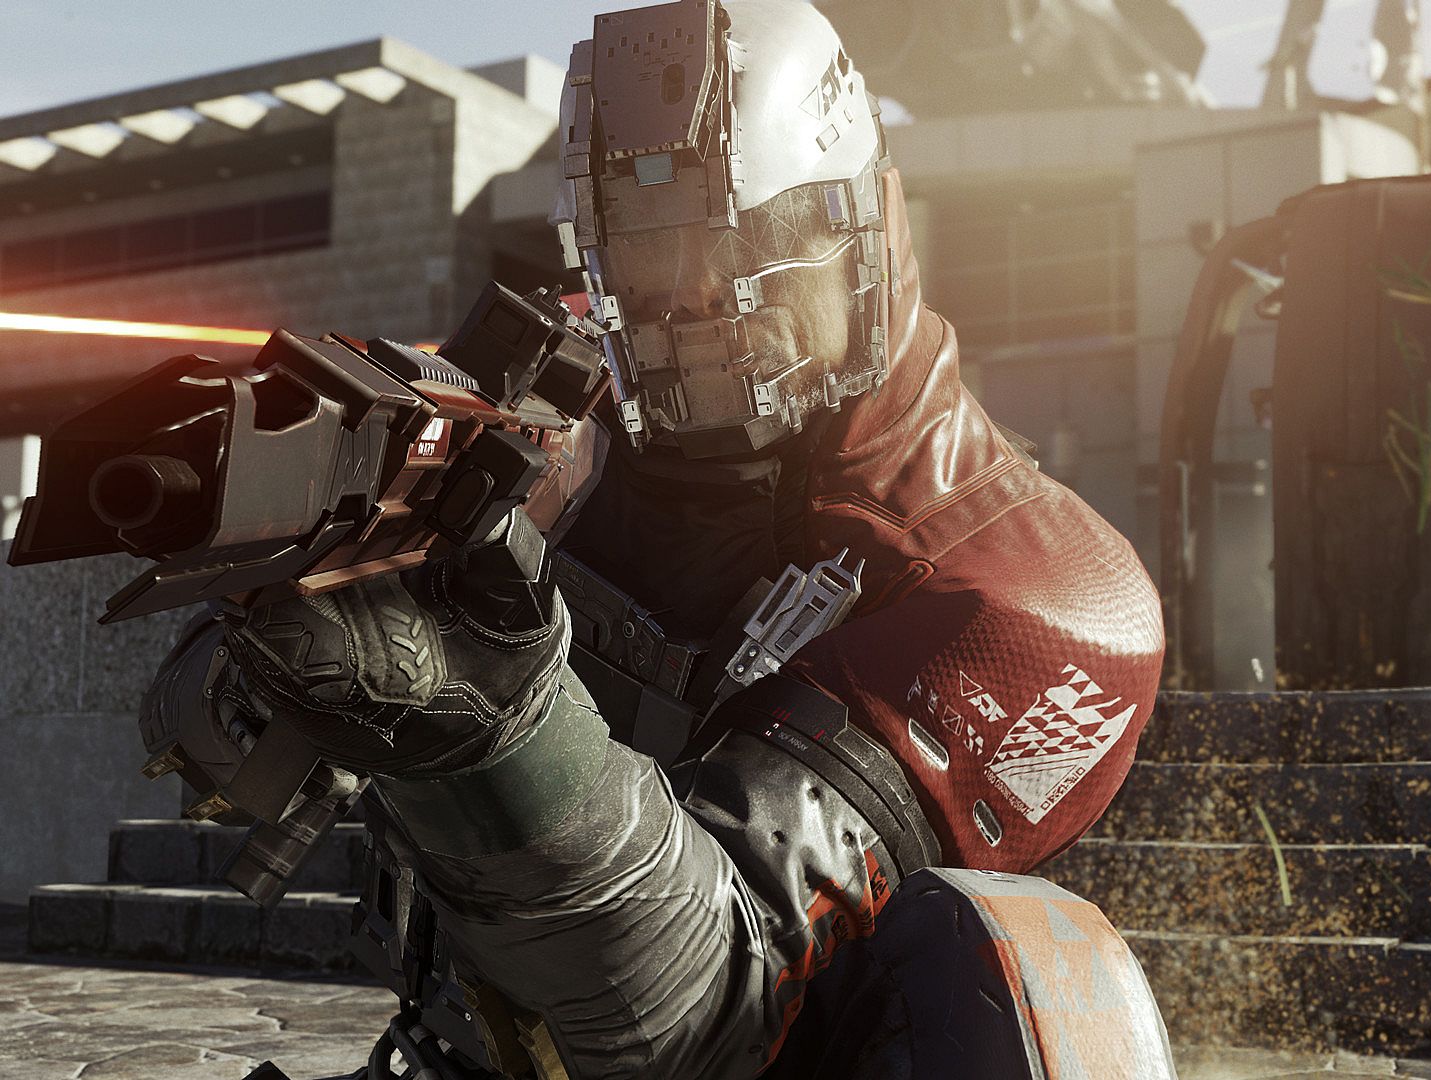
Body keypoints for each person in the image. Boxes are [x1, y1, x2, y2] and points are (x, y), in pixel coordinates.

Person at [144, 2, 1169, 1076]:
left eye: (737, 239)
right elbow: (216, 744)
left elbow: (705, 1004)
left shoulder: (1031, 594)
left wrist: (490, 730)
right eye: (645, 248)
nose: (688, 292)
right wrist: (272, 626)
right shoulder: (553, 412)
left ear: (856, 226)